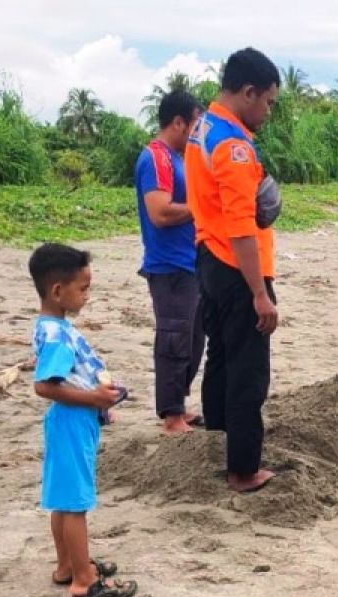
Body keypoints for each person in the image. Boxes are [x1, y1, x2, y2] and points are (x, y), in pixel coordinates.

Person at [185, 47, 281, 493]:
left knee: (220, 355)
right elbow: (242, 226)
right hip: (237, 264)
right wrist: (259, 291)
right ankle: (243, 468)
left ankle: (218, 437)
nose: (268, 111)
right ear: (249, 92)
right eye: (268, 102)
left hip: (208, 258)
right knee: (248, 368)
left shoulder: (202, 128)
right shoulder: (234, 145)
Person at [30, 243, 137, 597]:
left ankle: (66, 565)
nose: (87, 295)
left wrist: (99, 397)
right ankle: (84, 580)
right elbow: (45, 385)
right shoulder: (58, 336)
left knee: (62, 499)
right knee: (75, 502)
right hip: (72, 421)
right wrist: (94, 399)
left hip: (71, 420)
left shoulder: (52, 326)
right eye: (84, 288)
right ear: (58, 291)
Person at [136, 90, 205, 436]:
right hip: (170, 266)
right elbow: (160, 212)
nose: (197, 134)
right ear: (178, 122)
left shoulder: (178, 158)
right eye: (194, 125)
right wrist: (203, 206)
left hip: (190, 263)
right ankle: (171, 416)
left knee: (194, 340)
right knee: (174, 339)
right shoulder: (157, 158)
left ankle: (178, 404)